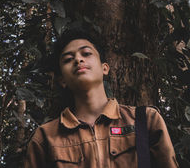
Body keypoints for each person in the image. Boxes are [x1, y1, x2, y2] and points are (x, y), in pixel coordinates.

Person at [24, 28, 179, 168]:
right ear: (62, 80)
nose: (78, 60)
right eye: (68, 59)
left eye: (86, 53)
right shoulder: (45, 136)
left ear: (104, 68)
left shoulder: (146, 120)